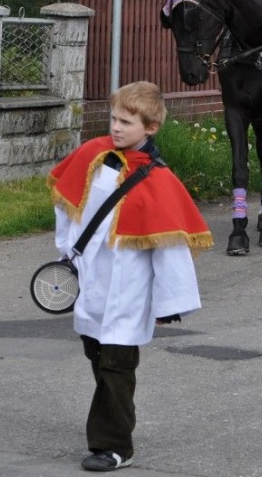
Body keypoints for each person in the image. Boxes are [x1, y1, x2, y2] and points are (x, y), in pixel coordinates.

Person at [48, 81, 213, 472]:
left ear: (151, 127)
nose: (116, 127)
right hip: (92, 279)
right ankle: (112, 421)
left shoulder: (159, 181)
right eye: (114, 118)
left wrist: (170, 303)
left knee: (117, 363)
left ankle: (114, 445)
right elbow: (68, 204)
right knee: (96, 352)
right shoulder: (92, 155)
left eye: (126, 121)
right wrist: (65, 250)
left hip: (130, 289)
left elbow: (170, 248)